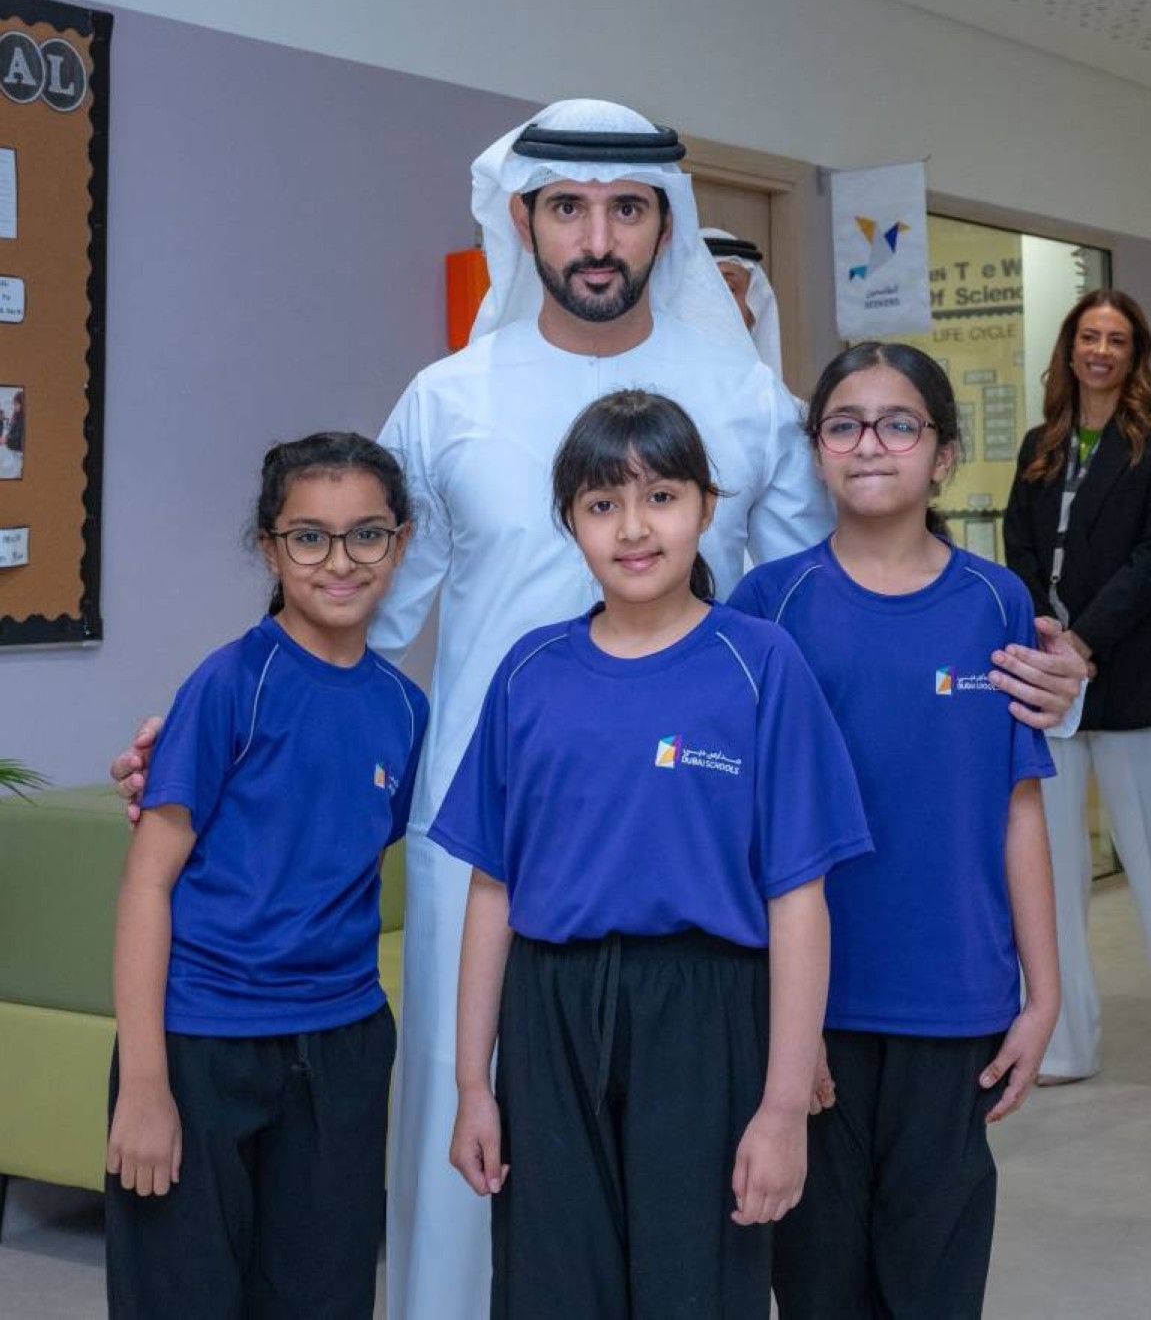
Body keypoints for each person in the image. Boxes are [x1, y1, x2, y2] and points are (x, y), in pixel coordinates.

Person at [112, 99, 1084, 1319]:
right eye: (567, 207)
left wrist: (1036, 671)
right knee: (479, 1158)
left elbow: (830, 605)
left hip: (697, 864)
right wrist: (207, 732)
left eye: (628, 208)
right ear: (523, 221)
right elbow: (353, 608)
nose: (597, 236)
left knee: (688, 1213)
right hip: (490, 848)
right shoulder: (447, 399)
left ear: (664, 222)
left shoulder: (742, 397)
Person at [434, 389, 873, 1318]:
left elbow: (799, 897)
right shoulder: (529, 671)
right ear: (571, 522)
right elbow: (491, 888)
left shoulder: (761, 663)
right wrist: (474, 1082)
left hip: (706, 1011)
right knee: (552, 1287)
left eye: (661, 497)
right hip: (550, 1013)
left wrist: (782, 1106)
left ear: (707, 506)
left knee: (696, 1286)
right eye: (603, 504)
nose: (633, 528)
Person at [732, 342, 1061, 1319]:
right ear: (817, 451)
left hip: (955, 1004)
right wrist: (782, 1027)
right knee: (820, 1285)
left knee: (933, 1286)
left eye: (899, 424)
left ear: (944, 454)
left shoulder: (994, 601)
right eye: (845, 424)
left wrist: (1044, 994)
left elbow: (1017, 804)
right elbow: (742, 826)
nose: (870, 443)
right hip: (815, 1008)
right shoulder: (769, 607)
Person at [105, 433, 428, 1319]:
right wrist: (145, 1085)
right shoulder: (228, 685)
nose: (340, 560)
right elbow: (147, 885)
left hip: (342, 1045)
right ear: (270, 547)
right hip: (202, 1044)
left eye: (366, 534)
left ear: (400, 541)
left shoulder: (406, 710)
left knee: (322, 1296)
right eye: (309, 536)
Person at [1003, 289, 1151, 1089]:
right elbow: (1018, 544)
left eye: (1118, 339)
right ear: (1070, 346)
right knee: (1048, 873)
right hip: (1046, 678)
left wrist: (1081, 641)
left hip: (1128, 677)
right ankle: (1061, 1044)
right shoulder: (1040, 443)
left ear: (1135, 353)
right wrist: (1045, 635)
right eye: (1090, 336)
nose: (1102, 351)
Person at [701, 228, 784, 379]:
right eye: (699, 289)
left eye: (728, 288)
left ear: (753, 312)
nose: (714, 302)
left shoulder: (766, 392)